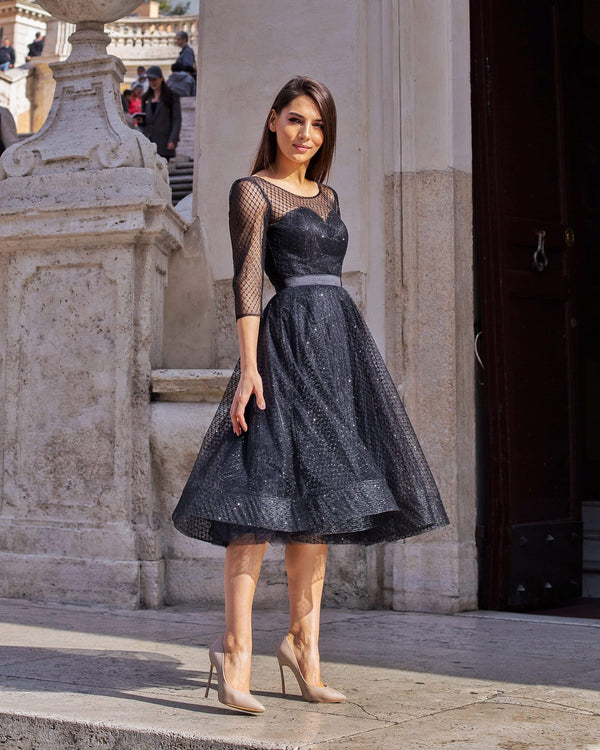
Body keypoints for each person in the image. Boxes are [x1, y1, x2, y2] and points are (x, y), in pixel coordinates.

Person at [172, 77, 449, 715]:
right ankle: (234, 654)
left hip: (337, 351)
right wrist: (247, 370)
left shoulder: (328, 196)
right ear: (273, 122)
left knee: (319, 507)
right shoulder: (251, 191)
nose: (307, 135)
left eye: (318, 125)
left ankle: (304, 648)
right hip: (282, 347)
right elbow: (245, 281)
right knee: (256, 501)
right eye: (296, 120)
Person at [140, 65, 181, 160]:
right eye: (149, 79)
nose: (152, 82)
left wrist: (173, 140)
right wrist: (140, 121)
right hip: (148, 143)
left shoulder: (172, 96)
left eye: (154, 79)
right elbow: (144, 121)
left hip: (165, 142)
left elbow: (177, 119)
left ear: (161, 78)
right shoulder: (145, 98)